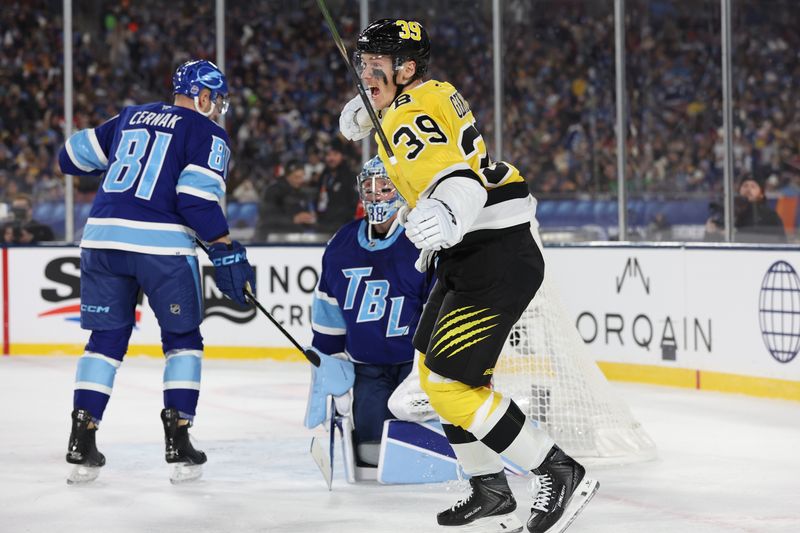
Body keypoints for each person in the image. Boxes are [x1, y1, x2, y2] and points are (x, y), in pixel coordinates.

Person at [339, 19, 598, 533]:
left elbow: (458, 177)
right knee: (433, 379)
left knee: (451, 386)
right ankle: (489, 486)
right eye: (362, 62)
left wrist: (449, 211)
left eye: (376, 63)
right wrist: (376, 110)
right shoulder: (421, 98)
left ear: (406, 69)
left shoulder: (410, 110)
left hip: (491, 252)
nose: (365, 72)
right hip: (475, 253)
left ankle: (558, 469)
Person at [57, 59, 255, 484]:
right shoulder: (208, 132)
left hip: (102, 239)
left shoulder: (129, 116)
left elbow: (69, 158)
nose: (218, 108)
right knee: (183, 339)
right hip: (159, 247)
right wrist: (223, 248)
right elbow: (195, 201)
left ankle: (81, 437)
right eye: (216, 100)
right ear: (203, 96)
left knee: (105, 340)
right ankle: (178, 441)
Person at [304, 156, 434, 467]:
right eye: (370, 188)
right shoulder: (342, 243)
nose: (376, 196)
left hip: (414, 370)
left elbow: (438, 308)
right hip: (367, 369)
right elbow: (329, 308)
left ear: (401, 189)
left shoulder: (422, 239)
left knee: (424, 451)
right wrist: (328, 362)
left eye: (385, 188)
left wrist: (433, 368)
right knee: (370, 455)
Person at [705, 174, 786, 243]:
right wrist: (710, 233)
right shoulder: (728, 213)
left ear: (761, 194)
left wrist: (732, 235)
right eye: (745, 186)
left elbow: (774, 240)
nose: (748, 189)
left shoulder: (770, 216)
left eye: (753, 186)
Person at [255, 161, 316, 241]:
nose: (300, 181)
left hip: (295, 238)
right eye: (296, 177)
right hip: (270, 239)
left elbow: (304, 218)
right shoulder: (273, 191)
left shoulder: (302, 194)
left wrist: (309, 218)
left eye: (302, 177)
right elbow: (267, 217)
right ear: (287, 176)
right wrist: (293, 219)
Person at [314, 138, 359, 235]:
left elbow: (353, 205)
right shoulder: (324, 176)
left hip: (343, 228)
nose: (331, 158)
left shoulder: (350, 177)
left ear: (342, 156)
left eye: (335, 154)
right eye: (328, 155)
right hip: (323, 227)